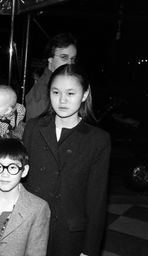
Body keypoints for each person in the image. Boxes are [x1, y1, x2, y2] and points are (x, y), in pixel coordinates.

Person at [22, 64, 111, 256]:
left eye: (71, 93)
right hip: (30, 229)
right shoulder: (33, 128)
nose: (62, 100)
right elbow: (20, 179)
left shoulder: (97, 140)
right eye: (56, 92)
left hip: (69, 234)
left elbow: (97, 199)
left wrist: (89, 249)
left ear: (85, 94)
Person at [25, 32, 77, 121]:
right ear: (50, 60)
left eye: (72, 59)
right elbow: (36, 131)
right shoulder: (43, 92)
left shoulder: (61, 85)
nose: (70, 63)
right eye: (64, 57)